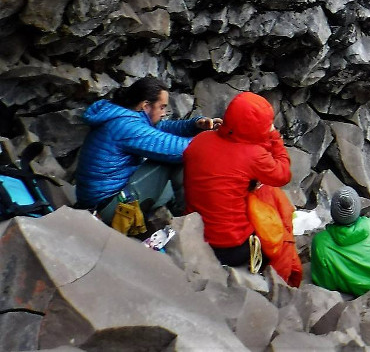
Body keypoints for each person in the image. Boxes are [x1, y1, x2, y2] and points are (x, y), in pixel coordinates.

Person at [75, 76, 220, 226]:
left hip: (99, 201)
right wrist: (215, 139)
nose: (164, 113)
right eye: (162, 107)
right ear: (145, 106)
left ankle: (181, 213)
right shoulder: (126, 126)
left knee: (173, 166)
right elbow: (179, 148)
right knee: (175, 160)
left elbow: (163, 128)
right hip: (106, 209)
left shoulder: (121, 115)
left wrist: (195, 125)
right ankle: (192, 222)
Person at [183, 91, 291, 268]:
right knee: (271, 196)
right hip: (231, 247)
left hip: (195, 231)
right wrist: (274, 136)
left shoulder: (200, 139)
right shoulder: (255, 156)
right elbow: (283, 174)